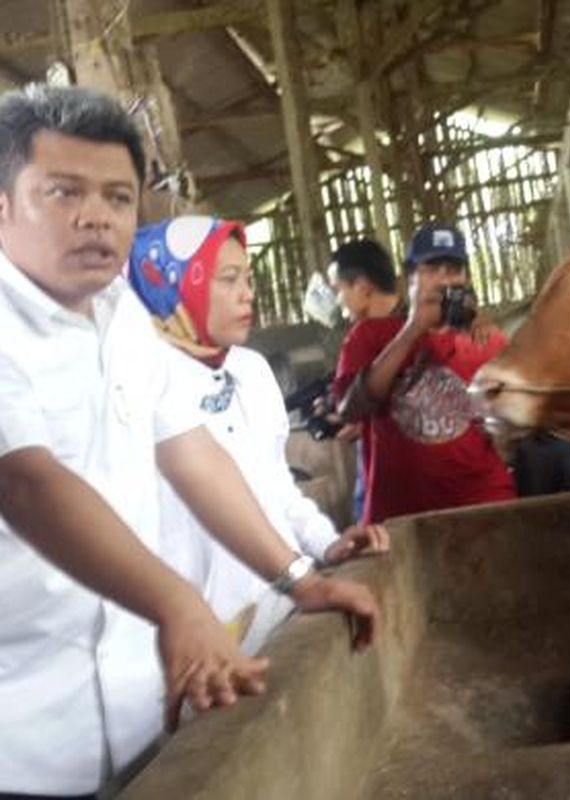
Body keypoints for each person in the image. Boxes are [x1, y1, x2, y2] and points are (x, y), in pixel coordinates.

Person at [0, 84, 378, 799]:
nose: (96, 217)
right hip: (21, 739)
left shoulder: (121, 317)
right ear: (2, 206)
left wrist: (299, 576)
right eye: (62, 191)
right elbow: (26, 482)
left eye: (117, 197)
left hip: (147, 709)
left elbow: (190, 451)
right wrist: (181, 605)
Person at [128, 216, 389, 625]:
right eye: (229, 279)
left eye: (248, 278)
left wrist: (327, 544)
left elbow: (277, 488)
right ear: (175, 286)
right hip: (199, 638)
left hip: (283, 609)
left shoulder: (251, 371)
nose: (247, 293)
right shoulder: (137, 383)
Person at [334, 223, 515, 522]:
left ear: (466, 279)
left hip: (483, 502)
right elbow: (351, 409)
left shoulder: (488, 340)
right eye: (431, 268)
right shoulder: (370, 336)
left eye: (453, 270)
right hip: (400, 518)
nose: (444, 279)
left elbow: (513, 422)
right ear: (409, 279)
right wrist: (414, 328)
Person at [326, 238, 405, 521]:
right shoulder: (432, 323)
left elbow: (347, 410)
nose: (338, 300)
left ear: (362, 287)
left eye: (339, 290)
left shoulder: (361, 338)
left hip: (389, 485)